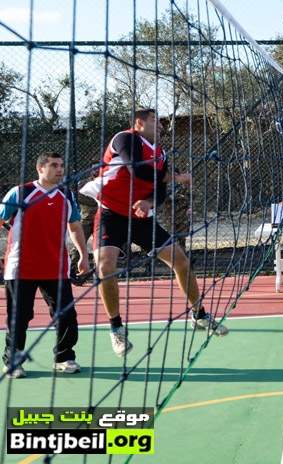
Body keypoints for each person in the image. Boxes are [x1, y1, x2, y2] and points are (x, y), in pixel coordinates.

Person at [80, 108, 228, 357]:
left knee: (181, 261)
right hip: (111, 213)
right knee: (105, 267)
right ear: (139, 122)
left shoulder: (160, 153)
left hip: (141, 217)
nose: (160, 126)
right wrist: (175, 177)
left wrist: (151, 200)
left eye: (160, 122)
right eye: (154, 121)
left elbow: (159, 189)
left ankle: (199, 314)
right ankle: (116, 328)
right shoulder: (125, 138)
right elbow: (136, 168)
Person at [1, 152, 89, 378]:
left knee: (66, 314)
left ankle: (64, 357)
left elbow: (75, 226)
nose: (60, 169)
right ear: (40, 169)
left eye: (61, 165)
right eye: (54, 165)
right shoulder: (20, 193)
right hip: (21, 267)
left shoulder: (66, 195)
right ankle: (13, 360)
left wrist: (83, 255)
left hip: (56, 267)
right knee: (19, 316)